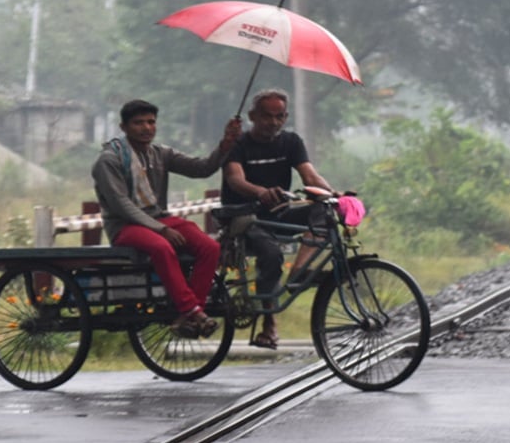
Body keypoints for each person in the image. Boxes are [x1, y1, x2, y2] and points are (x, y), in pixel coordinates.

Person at [93, 99, 241, 338]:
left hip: (158, 220)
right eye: (138, 123)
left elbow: (201, 168)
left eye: (151, 122)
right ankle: (193, 310)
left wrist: (225, 144)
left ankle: (190, 314)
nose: (146, 128)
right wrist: (160, 230)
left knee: (209, 247)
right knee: (162, 248)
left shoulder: (160, 154)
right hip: (125, 226)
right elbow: (121, 204)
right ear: (124, 127)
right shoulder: (109, 160)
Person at [221, 88, 336, 349]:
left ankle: (298, 272)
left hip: (279, 214)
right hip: (244, 217)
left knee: (325, 211)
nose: (273, 122)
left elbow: (310, 177)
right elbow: (235, 180)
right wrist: (261, 193)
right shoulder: (237, 145)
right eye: (266, 116)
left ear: (285, 117)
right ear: (252, 116)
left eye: (279, 116)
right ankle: (269, 323)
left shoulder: (291, 142)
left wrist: (333, 194)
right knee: (271, 254)